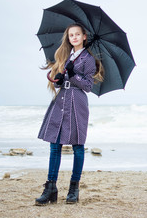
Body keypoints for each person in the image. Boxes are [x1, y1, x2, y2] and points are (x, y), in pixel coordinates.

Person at [35, 23, 104, 205]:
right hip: (61, 100)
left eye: (77, 34)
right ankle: (51, 188)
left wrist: (73, 75)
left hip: (77, 102)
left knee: (77, 145)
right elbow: (62, 78)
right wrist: (58, 80)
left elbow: (88, 86)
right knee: (55, 144)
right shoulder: (67, 57)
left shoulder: (88, 59)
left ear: (84, 37)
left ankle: (74, 189)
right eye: (71, 35)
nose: (73, 37)